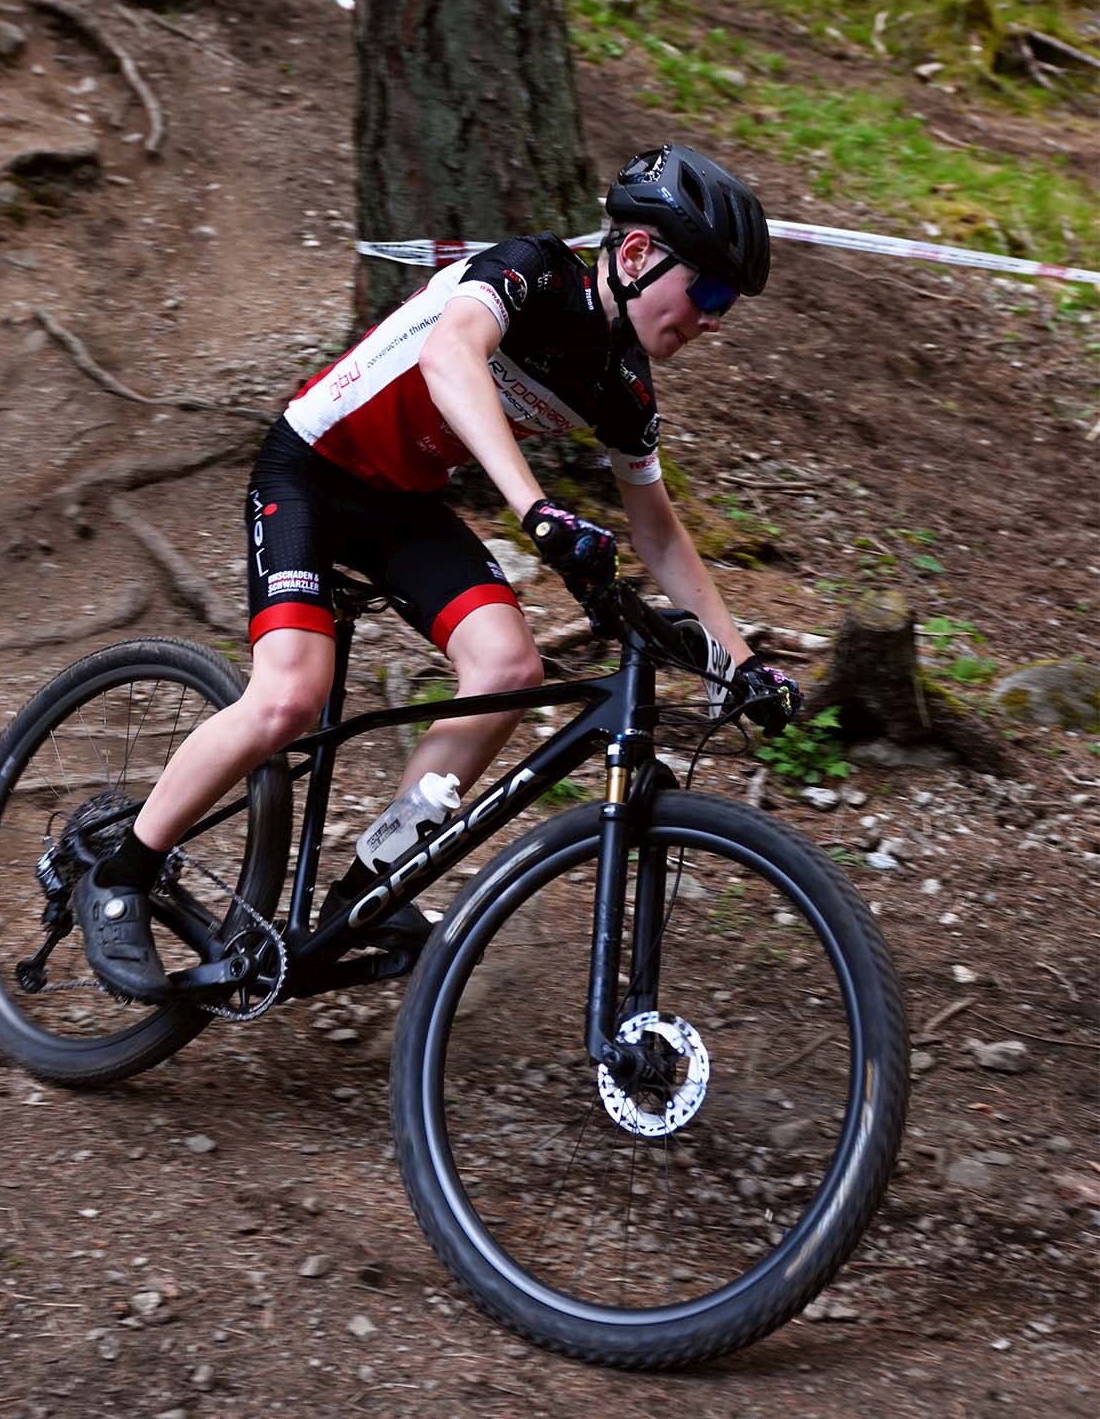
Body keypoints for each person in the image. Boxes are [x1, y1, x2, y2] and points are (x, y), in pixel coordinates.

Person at [73, 143, 801, 1002]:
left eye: (727, 306)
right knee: (288, 698)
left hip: (401, 506)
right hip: (309, 473)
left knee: (508, 670)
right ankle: (120, 875)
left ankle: (368, 888)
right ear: (637, 254)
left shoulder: (624, 388)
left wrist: (738, 663)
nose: (714, 319)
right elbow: (451, 354)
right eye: (709, 293)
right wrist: (535, 509)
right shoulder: (534, 272)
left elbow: (661, 534)